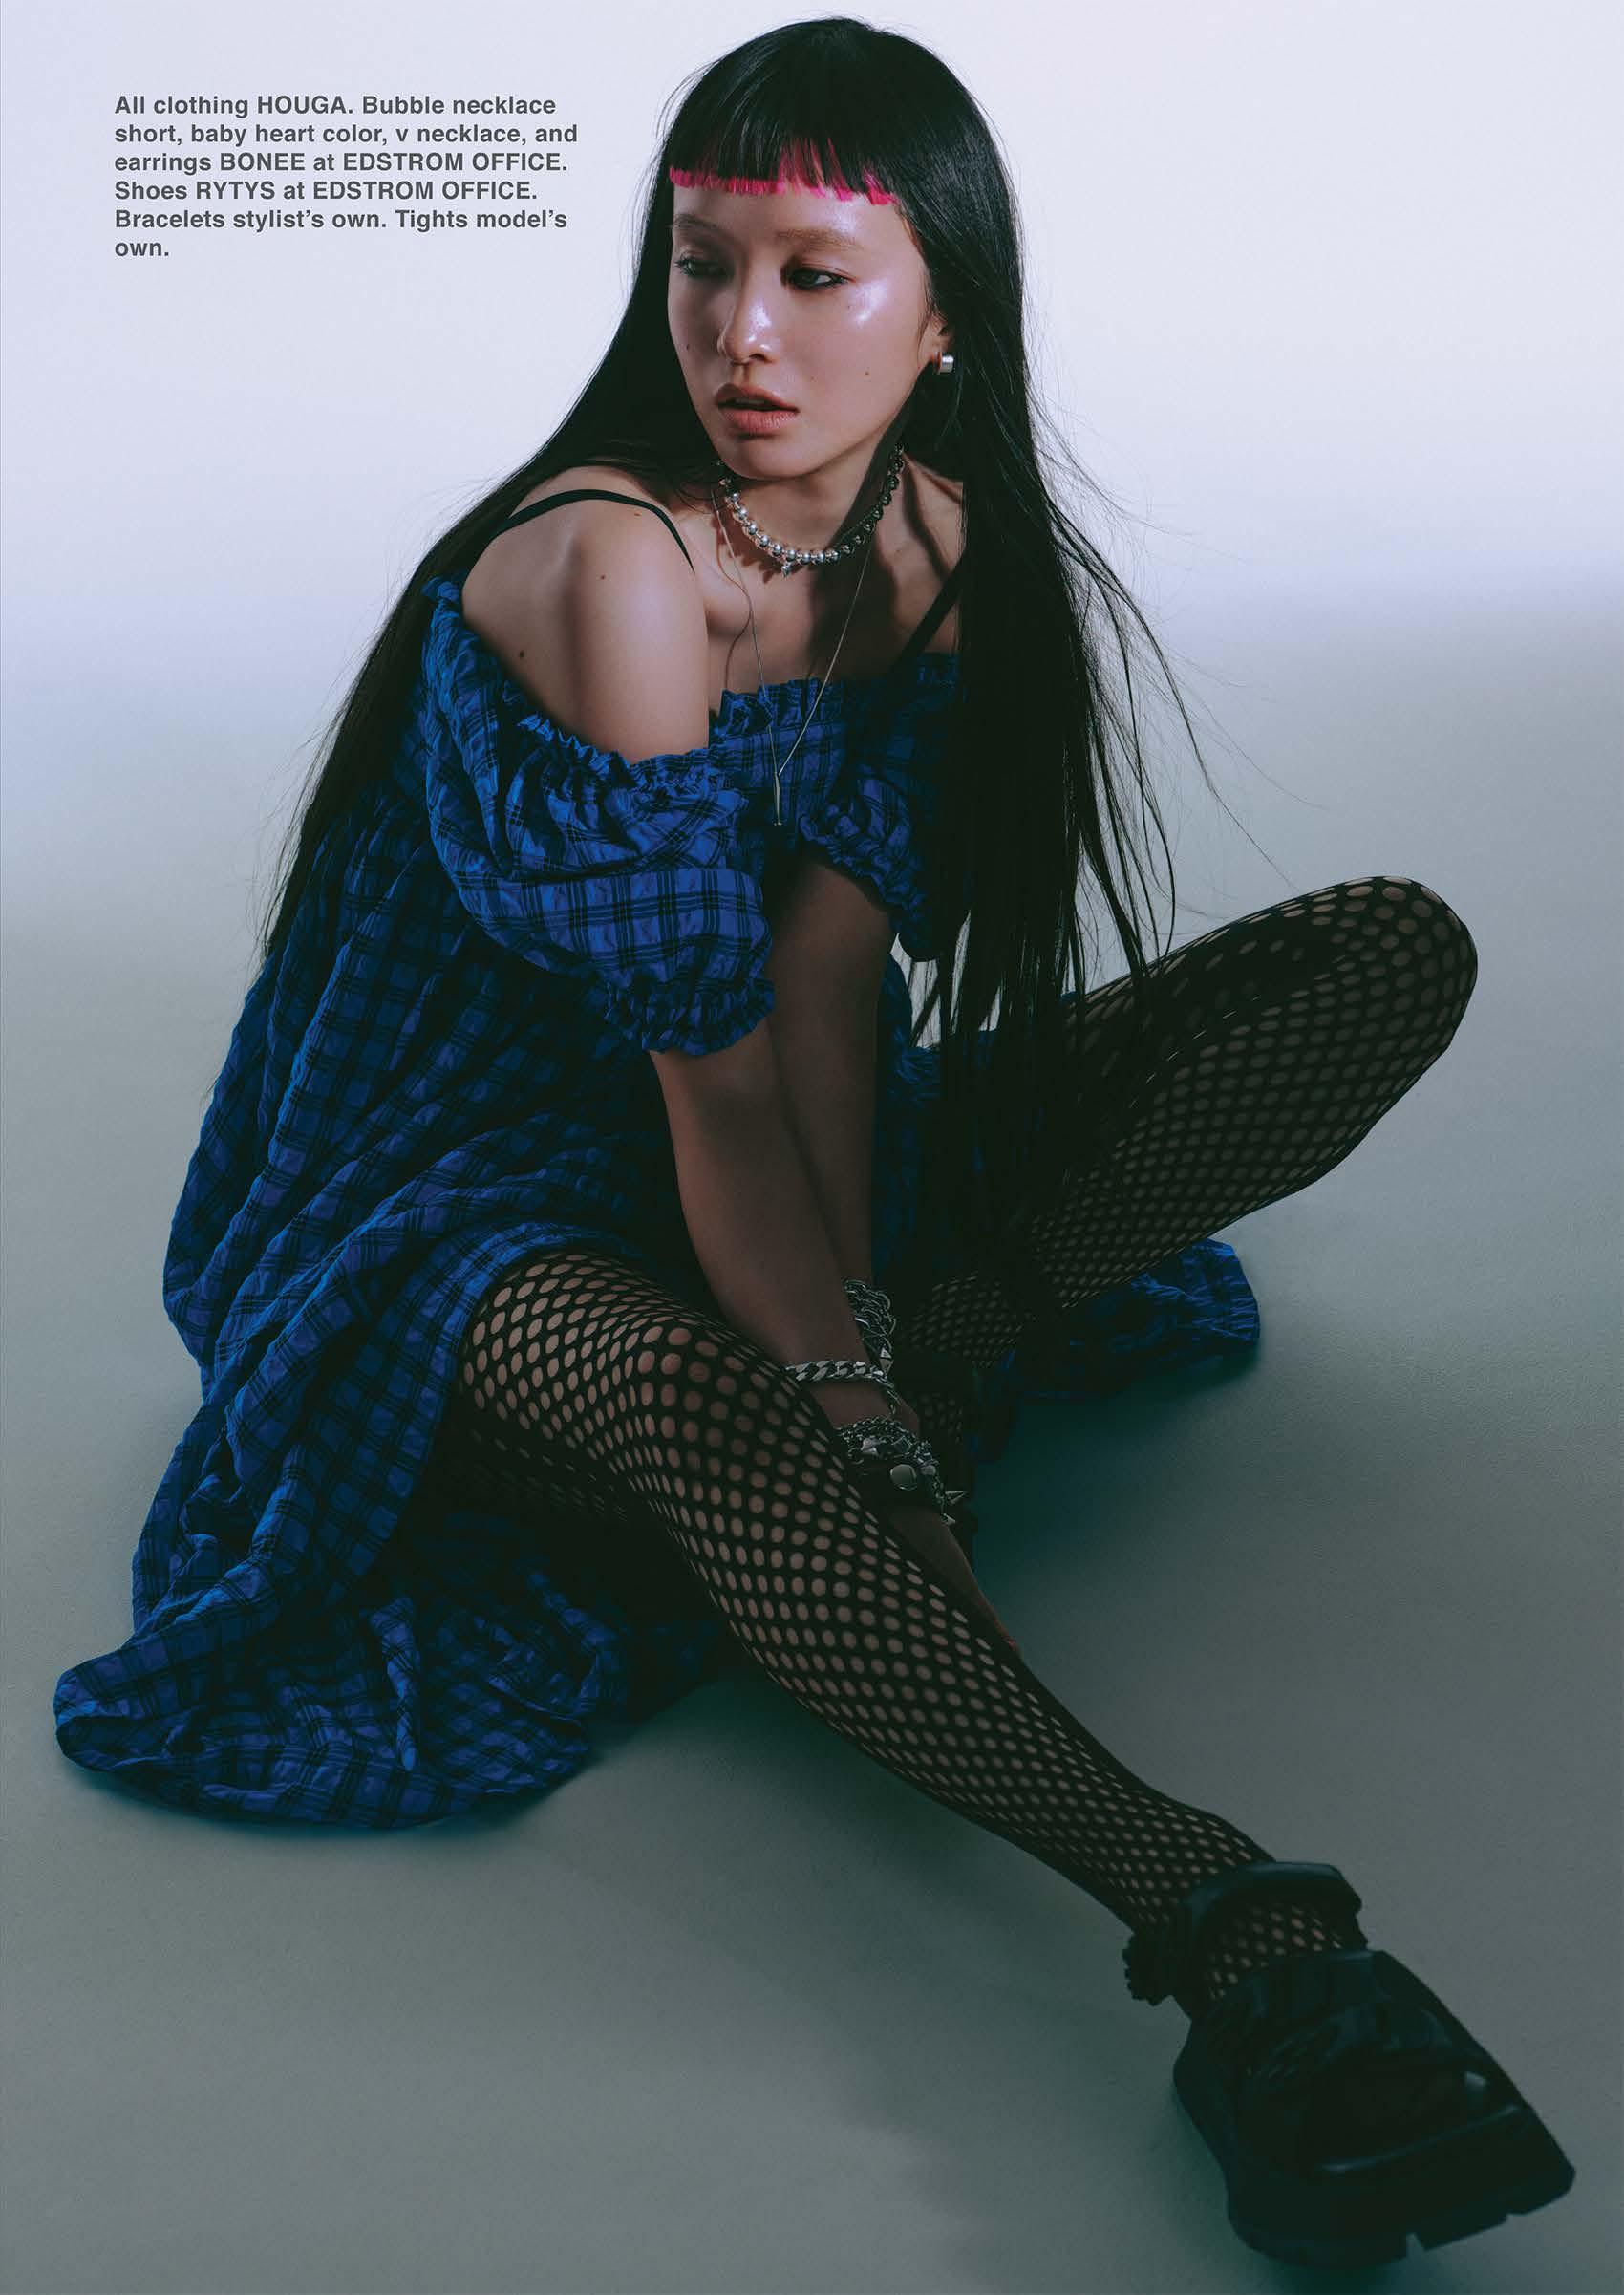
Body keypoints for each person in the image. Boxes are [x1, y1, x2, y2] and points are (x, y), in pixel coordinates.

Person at [53, 17, 1573, 2268]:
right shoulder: (612, 566)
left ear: (946, 314)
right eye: (702, 264)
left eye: (813, 275)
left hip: (766, 1149)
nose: (740, 333)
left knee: (1375, 953)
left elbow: (824, 1002)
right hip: (450, 1214)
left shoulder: (925, 544)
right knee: (718, 1398)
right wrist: (843, 1400)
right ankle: (1234, 1928)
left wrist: (857, 1336)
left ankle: (886, 1389)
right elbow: (714, 1074)